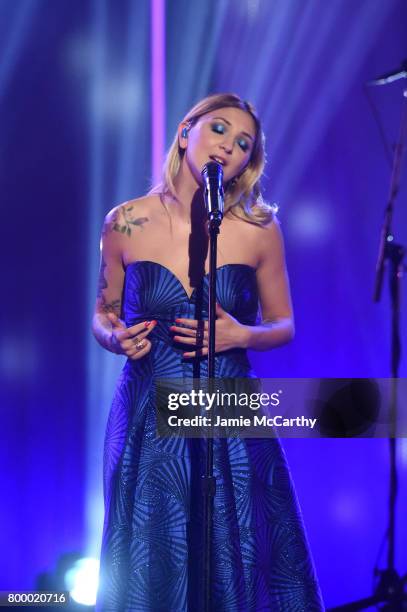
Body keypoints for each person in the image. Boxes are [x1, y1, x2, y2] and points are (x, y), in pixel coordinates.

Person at [93, 93, 324, 611]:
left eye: (244, 144)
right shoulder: (124, 222)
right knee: (156, 554)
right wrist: (113, 336)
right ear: (184, 133)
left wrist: (243, 335)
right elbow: (103, 310)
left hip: (229, 411)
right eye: (219, 129)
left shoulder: (260, 229)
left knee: (237, 547)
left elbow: (284, 324)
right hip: (149, 412)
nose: (230, 147)